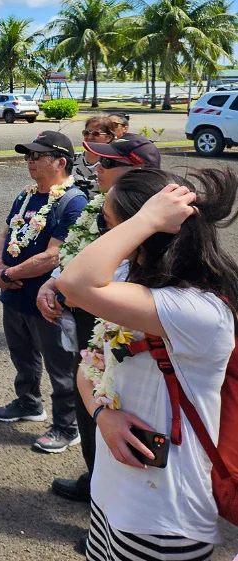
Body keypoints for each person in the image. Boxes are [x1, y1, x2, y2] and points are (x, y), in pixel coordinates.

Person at [57, 167, 237, 560]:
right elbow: (90, 365)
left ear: (147, 231)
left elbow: (73, 284)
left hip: (163, 516)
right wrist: (103, 414)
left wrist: (146, 218)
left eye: (109, 225)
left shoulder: (197, 310)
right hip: (111, 496)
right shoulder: (136, 282)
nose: (105, 236)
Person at [40, 132, 162, 513]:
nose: (97, 168)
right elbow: (72, 256)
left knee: (120, 414)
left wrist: (68, 288)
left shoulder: (153, 226)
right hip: (90, 329)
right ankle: (95, 481)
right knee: (90, 404)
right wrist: (51, 282)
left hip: (125, 337)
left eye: (107, 163)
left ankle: (109, 508)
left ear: (137, 172)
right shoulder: (100, 206)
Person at [0, 130, 87, 453]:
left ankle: (67, 426)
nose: (29, 161)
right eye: (27, 155)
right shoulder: (26, 195)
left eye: (36, 156)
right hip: (14, 294)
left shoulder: (74, 202)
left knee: (61, 367)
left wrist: (9, 273)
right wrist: (0, 270)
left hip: (48, 301)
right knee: (23, 356)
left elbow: (55, 255)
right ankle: (29, 402)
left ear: (60, 162)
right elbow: (5, 234)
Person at [71, 116, 114, 195]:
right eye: (86, 133)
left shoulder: (112, 164)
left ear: (108, 137)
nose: (90, 137)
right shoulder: (71, 159)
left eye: (95, 134)